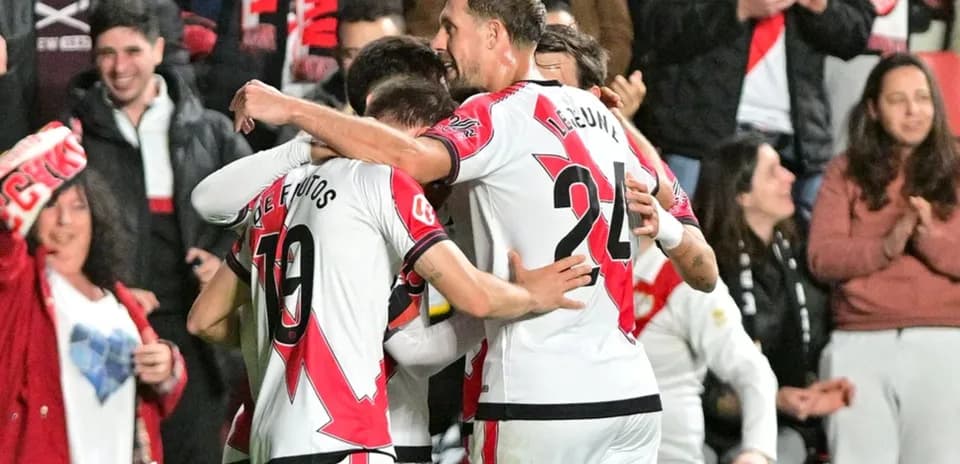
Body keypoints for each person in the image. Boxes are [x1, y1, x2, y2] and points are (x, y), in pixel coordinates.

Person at [230, 1, 723, 461]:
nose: (439, 43)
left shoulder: (495, 113)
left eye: (450, 28)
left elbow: (409, 157)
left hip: (539, 394)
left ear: (493, 33)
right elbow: (705, 272)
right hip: (632, 397)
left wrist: (296, 111)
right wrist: (672, 234)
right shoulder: (615, 129)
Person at [192, 72, 593, 462]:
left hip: (264, 437)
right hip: (346, 435)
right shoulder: (387, 185)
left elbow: (203, 319)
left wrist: (276, 338)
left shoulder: (278, 192)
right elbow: (466, 304)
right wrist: (529, 296)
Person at [65, 1, 253, 461]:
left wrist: (229, 267)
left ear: (158, 50)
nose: (119, 66)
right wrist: (113, 291)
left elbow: (264, 218)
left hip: (198, 335)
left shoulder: (211, 133)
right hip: (110, 326)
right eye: (106, 53)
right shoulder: (73, 138)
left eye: (131, 50)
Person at [0, 124, 187, 463]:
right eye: (51, 207)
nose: (65, 221)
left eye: (79, 207)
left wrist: (165, 367)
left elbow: (158, 399)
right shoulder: (20, 288)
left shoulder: (117, 297)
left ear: (96, 217)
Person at [807, 53, 960, 464]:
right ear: (873, 109)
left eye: (923, 98)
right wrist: (889, 244)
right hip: (859, 341)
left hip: (945, 341)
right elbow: (823, 257)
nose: (914, 110)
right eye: (898, 100)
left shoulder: (957, 167)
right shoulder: (845, 170)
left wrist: (930, 239)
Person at [628, 0, 876, 223]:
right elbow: (653, 24)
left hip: (799, 141)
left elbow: (856, 34)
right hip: (697, 137)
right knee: (677, 253)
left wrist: (819, 5)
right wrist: (738, 8)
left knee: (796, 262)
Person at [696, 134, 853, 464]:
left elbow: (811, 342)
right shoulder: (705, 270)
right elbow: (700, 385)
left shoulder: (799, 256)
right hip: (704, 427)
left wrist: (814, 389)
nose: (790, 176)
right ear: (741, 194)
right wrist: (770, 398)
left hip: (784, 428)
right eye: (773, 171)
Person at [632, 237, 778, 464]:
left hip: (668, 454)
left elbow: (750, 368)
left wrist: (757, 450)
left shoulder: (687, 282)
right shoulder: (581, 281)